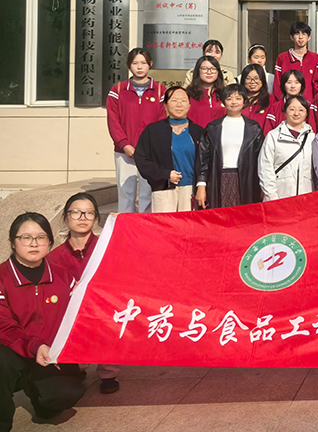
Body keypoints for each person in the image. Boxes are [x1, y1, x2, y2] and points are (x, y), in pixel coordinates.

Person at [0, 213, 85, 430]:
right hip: (11, 352)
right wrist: (34, 346)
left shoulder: (64, 276)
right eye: (26, 237)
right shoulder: (1, 277)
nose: (34, 243)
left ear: (50, 242)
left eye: (41, 237)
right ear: (12, 242)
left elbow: (82, 314)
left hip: (48, 354)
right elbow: (3, 325)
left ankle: (42, 401)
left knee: (66, 394)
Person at [46, 194, 120, 394]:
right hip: (71, 312)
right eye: (76, 212)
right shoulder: (54, 257)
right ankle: (77, 366)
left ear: (96, 218)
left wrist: (121, 226)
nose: (82, 217)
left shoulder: (106, 248)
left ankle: (108, 372)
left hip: (102, 308)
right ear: (65, 217)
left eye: (89, 213)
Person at [106, 48, 165, 214]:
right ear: (129, 65)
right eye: (135, 63)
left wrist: (149, 147)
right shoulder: (118, 91)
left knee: (148, 193)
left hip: (150, 153)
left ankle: (145, 226)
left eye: (143, 63)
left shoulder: (160, 91)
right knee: (126, 192)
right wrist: (124, 144)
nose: (139, 67)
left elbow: (162, 121)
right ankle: (126, 225)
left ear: (150, 64)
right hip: (124, 151)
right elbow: (113, 121)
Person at [134, 86, 204, 213]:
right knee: (165, 224)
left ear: (189, 105)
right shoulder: (153, 131)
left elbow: (206, 162)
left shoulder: (198, 132)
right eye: (174, 100)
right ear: (165, 104)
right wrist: (165, 174)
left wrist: (201, 185)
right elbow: (141, 159)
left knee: (189, 224)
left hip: (191, 190)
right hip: (164, 189)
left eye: (183, 101)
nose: (179, 105)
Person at [194, 84, 264, 209]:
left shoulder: (254, 128)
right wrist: (201, 184)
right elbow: (203, 158)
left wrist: (263, 185)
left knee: (243, 216)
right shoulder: (213, 128)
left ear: (244, 102)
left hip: (246, 181)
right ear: (223, 102)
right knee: (221, 217)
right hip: (219, 178)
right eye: (229, 98)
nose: (234, 102)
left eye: (238, 98)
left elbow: (262, 160)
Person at [258, 95, 315, 201]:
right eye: (292, 109)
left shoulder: (312, 138)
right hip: (279, 198)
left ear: (307, 113)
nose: (296, 113)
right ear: (285, 111)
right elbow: (265, 168)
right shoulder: (274, 136)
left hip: (306, 199)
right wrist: (273, 198)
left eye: (301, 110)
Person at [273, 21, 318, 103]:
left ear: (309, 37)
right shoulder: (282, 58)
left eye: (304, 34)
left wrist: (317, 102)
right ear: (291, 37)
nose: (300, 37)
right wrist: (281, 103)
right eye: (297, 34)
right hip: (289, 105)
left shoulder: (316, 58)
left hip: (311, 105)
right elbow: (277, 84)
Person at [265, 70, 318, 135]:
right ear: (283, 85)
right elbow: (268, 131)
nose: (293, 86)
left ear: (302, 85)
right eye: (289, 82)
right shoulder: (275, 107)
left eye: (297, 82)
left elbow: (312, 131)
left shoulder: (309, 106)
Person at [185, 55, 226, 129]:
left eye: (213, 69)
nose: (209, 72)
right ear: (198, 71)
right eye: (204, 68)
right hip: (196, 134)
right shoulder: (189, 93)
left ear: (218, 72)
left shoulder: (225, 93)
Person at [240, 63, 271, 129]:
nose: (252, 81)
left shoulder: (271, 101)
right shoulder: (238, 100)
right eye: (248, 78)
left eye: (256, 78)